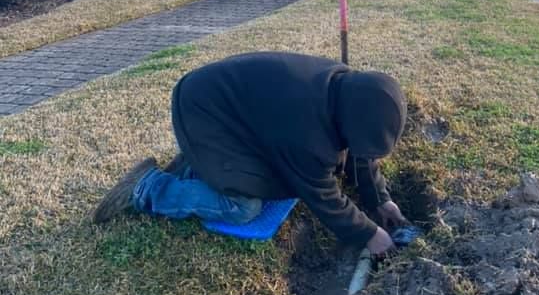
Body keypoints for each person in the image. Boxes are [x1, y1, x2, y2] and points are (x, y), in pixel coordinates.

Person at [93, 52, 408, 255]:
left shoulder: (344, 92)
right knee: (243, 206)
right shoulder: (307, 130)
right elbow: (321, 195)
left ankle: (197, 167)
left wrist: (380, 199)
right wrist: (369, 235)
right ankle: (150, 188)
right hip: (204, 114)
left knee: (271, 180)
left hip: (237, 114)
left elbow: (359, 151)